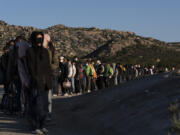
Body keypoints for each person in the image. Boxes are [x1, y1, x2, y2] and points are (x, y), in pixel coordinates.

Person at [26, 31, 52, 134]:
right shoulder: (30, 51)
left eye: (41, 38)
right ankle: (34, 126)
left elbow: (48, 67)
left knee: (45, 105)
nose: (39, 40)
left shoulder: (45, 51)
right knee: (36, 105)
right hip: (36, 82)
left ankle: (42, 125)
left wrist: (49, 79)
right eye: (37, 38)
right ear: (33, 39)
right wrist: (35, 79)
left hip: (46, 82)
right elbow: (30, 67)